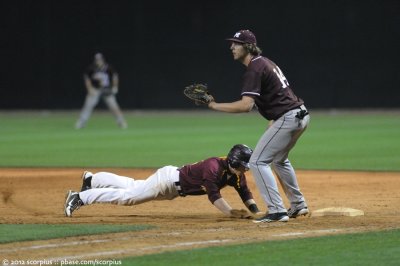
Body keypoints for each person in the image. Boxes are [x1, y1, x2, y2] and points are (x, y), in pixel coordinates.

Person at [207, 30, 310, 223]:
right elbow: (279, 94)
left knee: (257, 161)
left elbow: (246, 106)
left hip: (288, 117)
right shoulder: (265, 62)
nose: (232, 47)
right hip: (299, 114)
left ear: (248, 47)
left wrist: (214, 105)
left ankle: (277, 211)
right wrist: (273, 122)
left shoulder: (254, 68)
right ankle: (298, 205)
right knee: (279, 159)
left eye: (236, 43)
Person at [64, 144, 263, 218]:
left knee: (134, 186)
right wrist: (229, 212)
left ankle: (93, 179)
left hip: (172, 186)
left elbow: (245, 192)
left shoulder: (235, 173)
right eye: (244, 165)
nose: (246, 169)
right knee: (129, 198)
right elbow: (213, 195)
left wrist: (255, 212)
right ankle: (80, 197)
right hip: (168, 181)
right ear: (235, 162)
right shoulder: (213, 168)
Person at [75, 53, 128, 129]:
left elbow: (115, 76)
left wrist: (115, 87)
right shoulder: (91, 68)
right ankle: (81, 122)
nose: (98, 61)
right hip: (95, 90)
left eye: (100, 60)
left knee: (114, 107)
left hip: (106, 90)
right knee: (88, 106)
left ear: (103, 60)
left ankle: (121, 122)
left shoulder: (108, 68)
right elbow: (87, 78)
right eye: (97, 60)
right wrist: (90, 89)